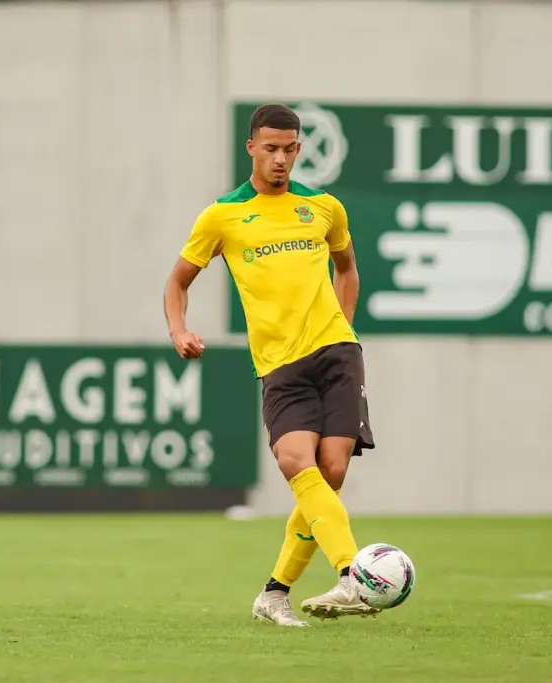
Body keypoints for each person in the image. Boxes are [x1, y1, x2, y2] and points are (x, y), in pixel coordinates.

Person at [162, 103, 376, 627]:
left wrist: (342, 328)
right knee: (295, 464)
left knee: (333, 470)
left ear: (300, 150)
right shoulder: (223, 215)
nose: (280, 159)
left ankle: (302, 589)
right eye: (271, 149)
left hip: (336, 354)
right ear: (251, 148)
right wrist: (179, 330)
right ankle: (335, 577)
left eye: (289, 149)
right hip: (280, 366)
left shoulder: (324, 207)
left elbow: (347, 269)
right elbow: (177, 283)